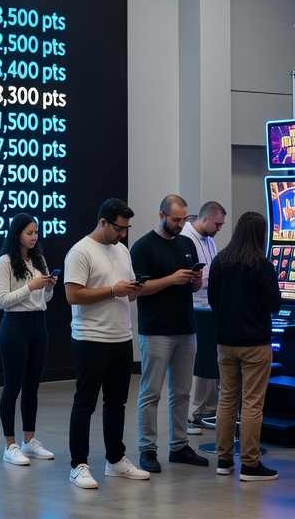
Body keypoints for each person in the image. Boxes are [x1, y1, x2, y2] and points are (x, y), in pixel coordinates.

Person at [64, 198, 147, 489]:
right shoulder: (80, 251)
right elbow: (73, 295)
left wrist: (132, 291)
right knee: (85, 404)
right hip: (91, 338)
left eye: (126, 228)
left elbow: (126, 290)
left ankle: (115, 460)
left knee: (116, 403)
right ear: (103, 222)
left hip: (121, 337)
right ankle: (79, 465)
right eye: (118, 228)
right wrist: (114, 290)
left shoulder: (122, 250)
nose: (123, 234)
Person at [131, 195, 207, 473]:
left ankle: (179, 445)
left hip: (186, 328)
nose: (181, 224)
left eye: (185, 219)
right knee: (151, 393)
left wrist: (195, 281)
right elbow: (140, 288)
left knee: (182, 393)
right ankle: (147, 449)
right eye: (176, 219)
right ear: (161, 215)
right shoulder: (143, 247)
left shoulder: (187, 243)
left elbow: (193, 289)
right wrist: (172, 279)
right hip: (156, 330)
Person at [206, 210, 280, 482]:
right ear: (261, 234)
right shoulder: (262, 265)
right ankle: (250, 463)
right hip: (255, 343)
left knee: (226, 400)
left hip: (225, 341)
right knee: (251, 404)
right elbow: (274, 305)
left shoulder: (219, 261)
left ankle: (224, 460)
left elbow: (213, 299)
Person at [0, 213, 57, 466]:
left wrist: (48, 287)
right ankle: (10, 445)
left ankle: (30, 441)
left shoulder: (38, 259)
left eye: (36, 233)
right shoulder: (5, 262)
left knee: (32, 387)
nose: (34, 237)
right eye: (29, 233)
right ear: (17, 233)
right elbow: (2, 300)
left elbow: (45, 300)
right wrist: (31, 286)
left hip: (38, 325)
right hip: (14, 327)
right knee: (12, 388)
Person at [181, 201, 226, 434]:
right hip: (194, 306)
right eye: (217, 223)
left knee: (211, 359)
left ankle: (208, 409)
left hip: (210, 305)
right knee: (199, 362)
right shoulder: (186, 237)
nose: (219, 228)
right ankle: (193, 412)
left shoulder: (210, 239)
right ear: (206, 219)